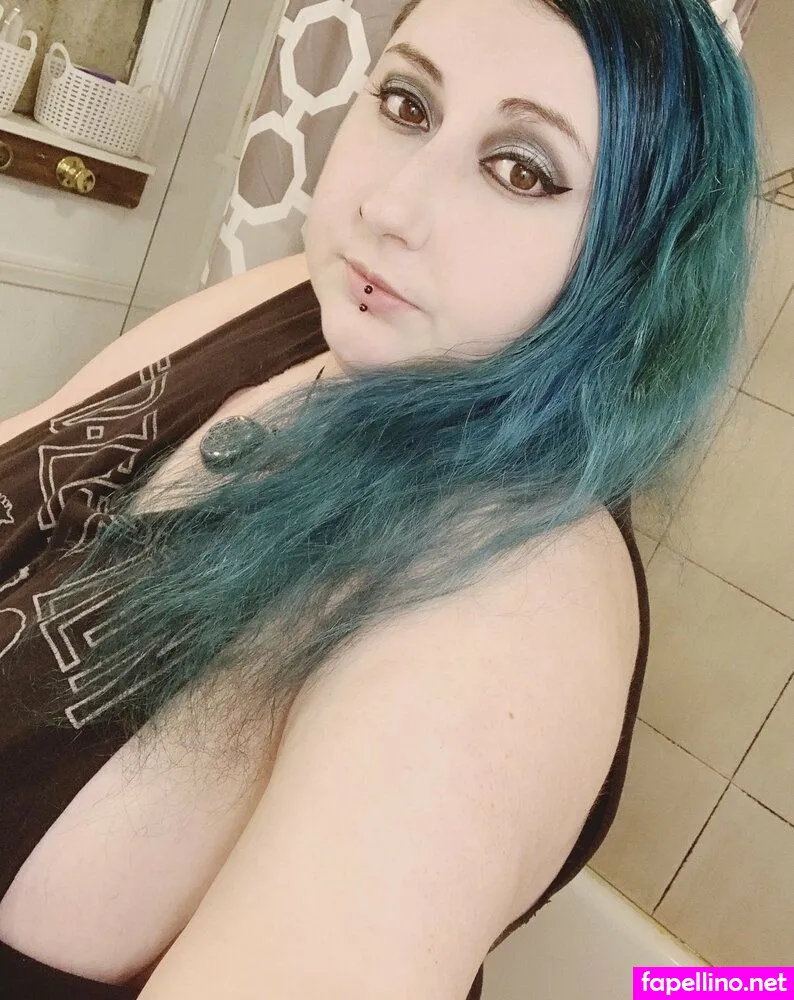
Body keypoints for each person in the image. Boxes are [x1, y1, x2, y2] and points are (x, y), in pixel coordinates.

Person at [0, 0, 763, 997]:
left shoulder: (511, 596)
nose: (390, 207)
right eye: (406, 104)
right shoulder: (293, 306)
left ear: (631, 264)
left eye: (521, 170)